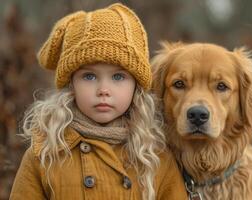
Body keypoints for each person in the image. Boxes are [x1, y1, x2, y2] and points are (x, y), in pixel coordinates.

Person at [9, 3, 187, 200]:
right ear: (71, 83)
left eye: (118, 77)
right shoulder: (45, 153)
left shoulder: (154, 156)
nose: (103, 90)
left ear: (136, 86)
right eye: (89, 77)